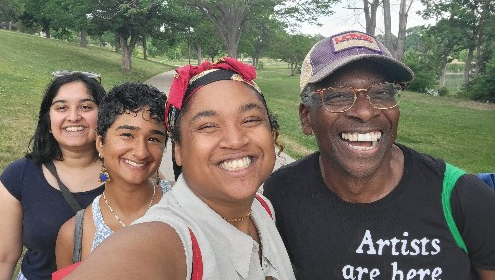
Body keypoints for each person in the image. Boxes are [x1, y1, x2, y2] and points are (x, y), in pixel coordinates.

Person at [263, 30, 495, 279]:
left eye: (382, 93)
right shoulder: (281, 196)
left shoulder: (462, 197)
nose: (364, 112)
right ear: (306, 117)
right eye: (339, 96)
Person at [66, 58, 296, 279]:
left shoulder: (262, 207)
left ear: (272, 132)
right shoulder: (168, 236)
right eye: (208, 125)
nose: (235, 141)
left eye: (250, 120)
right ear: (178, 149)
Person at [0, 72, 106, 280]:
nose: (74, 116)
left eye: (86, 107)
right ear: (48, 120)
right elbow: (1, 260)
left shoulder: (129, 170)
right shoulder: (18, 177)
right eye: (61, 107)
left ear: (104, 115)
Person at [55, 82, 172, 269]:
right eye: (127, 135)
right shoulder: (75, 235)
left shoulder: (186, 206)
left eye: (153, 139)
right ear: (100, 143)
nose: (141, 152)